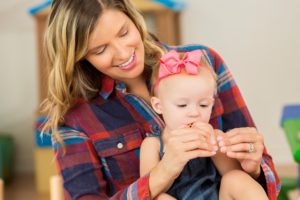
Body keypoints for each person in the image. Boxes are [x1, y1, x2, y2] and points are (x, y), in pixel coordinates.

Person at [41, 0, 280, 199]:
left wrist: (253, 167)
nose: (124, 53)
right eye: (100, 50)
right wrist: (165, 169)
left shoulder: (202, 64)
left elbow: (261, 179)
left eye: (124, 32)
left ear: (134, 19)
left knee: (237, 179)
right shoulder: (75, 119)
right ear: (79, 57)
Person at [139, 49, 268, 199]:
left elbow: (234, 175)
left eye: (204, 105)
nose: (194, 113)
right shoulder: (152, 145)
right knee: (159, 198)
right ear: (158, 106)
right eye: (182, 105)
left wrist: (218, 146)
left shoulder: (214, 137)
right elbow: (147, 192)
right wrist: (172, 162)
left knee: (235, 178)